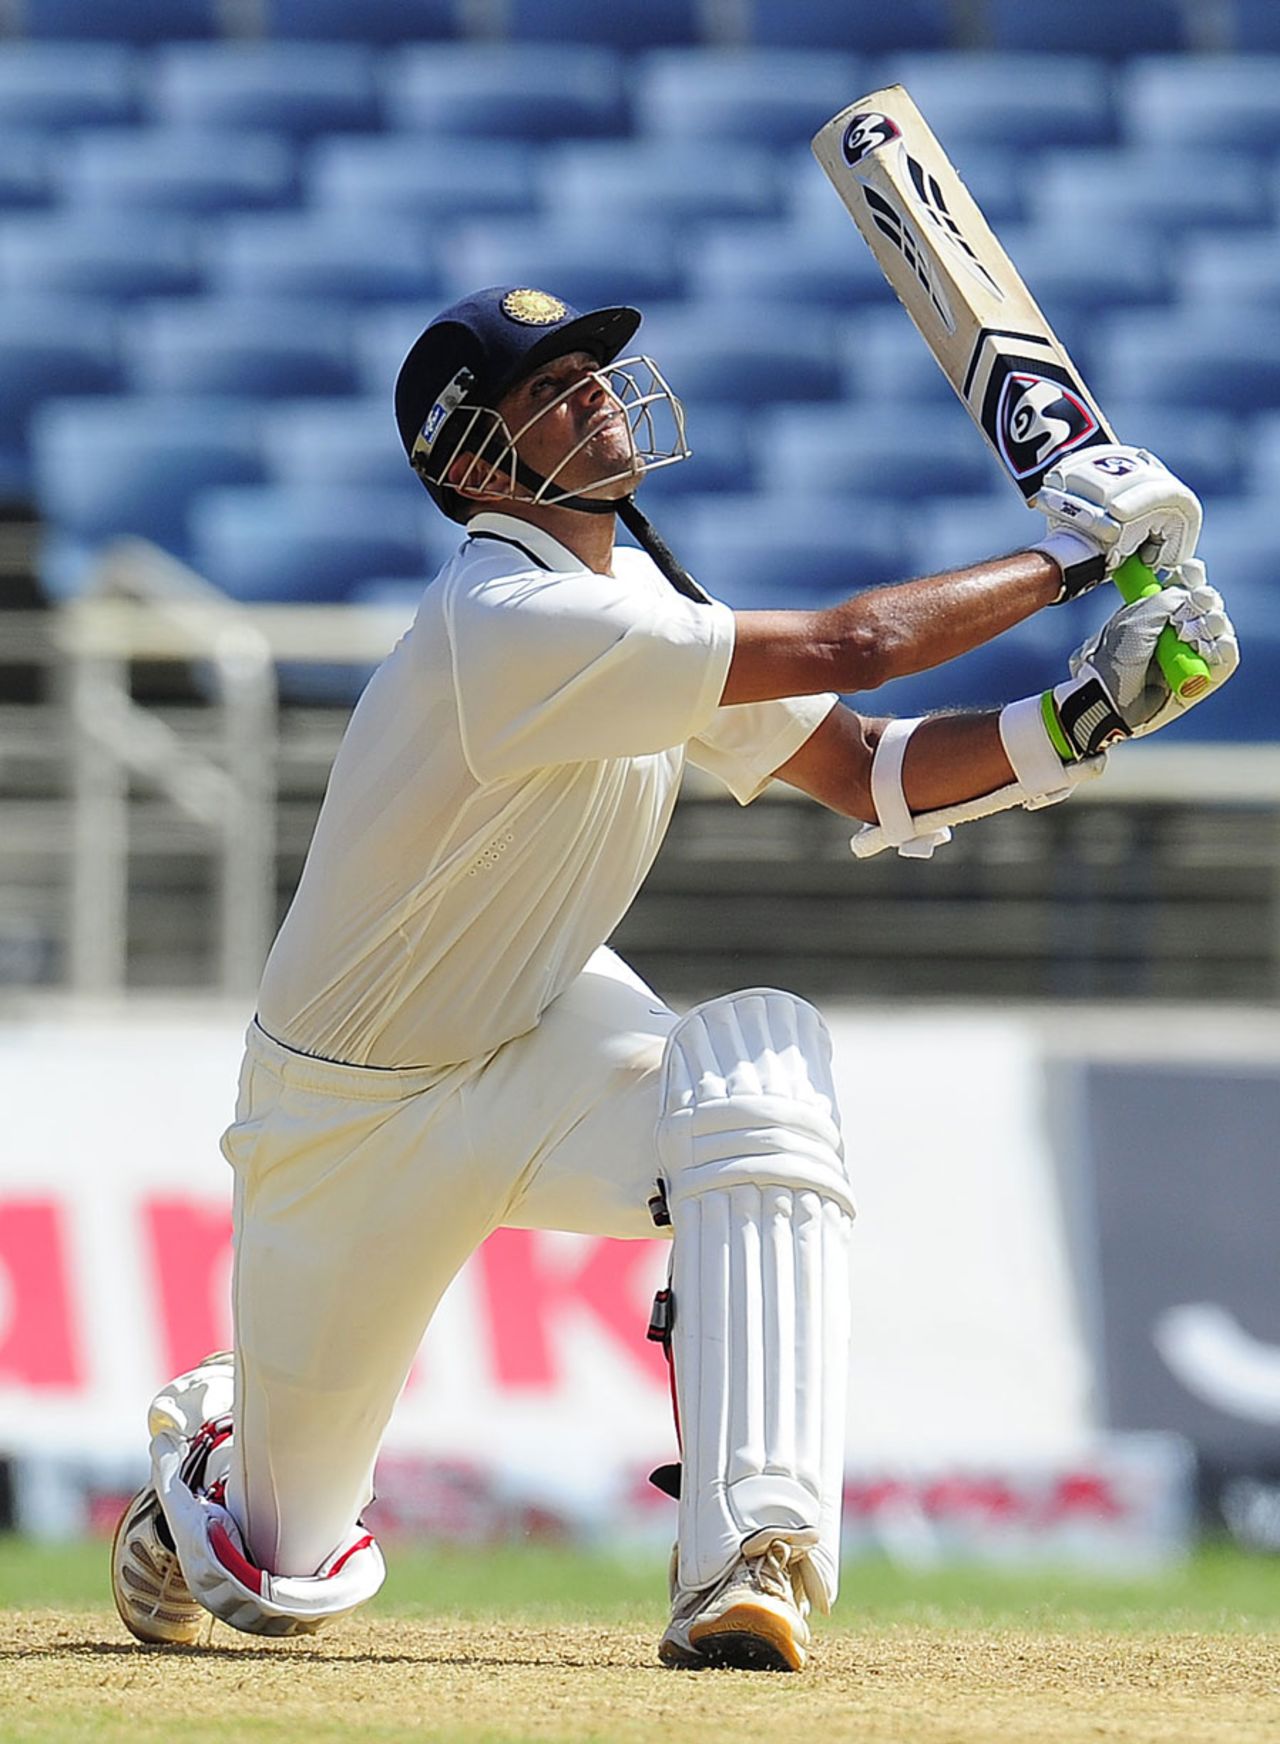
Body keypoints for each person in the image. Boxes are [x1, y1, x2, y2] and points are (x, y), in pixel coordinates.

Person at [111, 286, 1236, 1671]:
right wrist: (1072, 556)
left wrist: (1089, 713)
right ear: (473, 458)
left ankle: (750, 1556)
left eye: (596, 367)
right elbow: (853, 645)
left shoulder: (636, 599)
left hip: (540, 1031)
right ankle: (219, 1468)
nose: (598, 392)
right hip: (346, 1118)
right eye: (552, 386)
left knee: (764, 1072)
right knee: (275, 1579)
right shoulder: (506, 616)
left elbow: (867, 769)